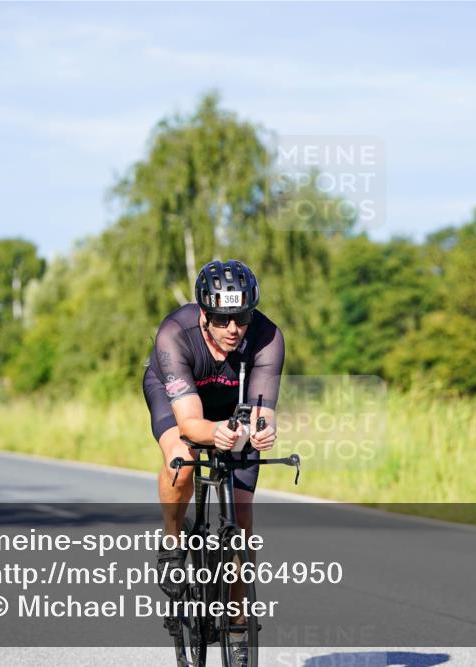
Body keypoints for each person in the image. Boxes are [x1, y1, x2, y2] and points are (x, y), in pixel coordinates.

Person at [143, 259, 284, 662]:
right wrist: (213, 432)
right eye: (222, 319)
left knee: (242, 522)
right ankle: (172, 540)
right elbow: (189, 423)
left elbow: (262, 409)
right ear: (204, 313)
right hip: (178, 398)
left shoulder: (268, 337)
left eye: (241, 317)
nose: (233, 329)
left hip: (232, 403)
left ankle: (237, 627)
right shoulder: (175, 333)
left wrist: (261, 430)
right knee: (182, 456)